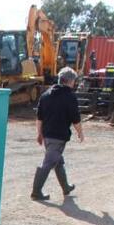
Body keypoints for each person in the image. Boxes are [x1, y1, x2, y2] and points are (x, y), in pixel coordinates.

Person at [31, 66, 84, 201]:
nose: (74, 83)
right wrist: (80, 133)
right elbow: (75, 119)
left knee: (58, 161)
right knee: (49, 163)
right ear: (70, 81)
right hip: (58, 136)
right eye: (74, 81)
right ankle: (36, 192)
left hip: (47, 135)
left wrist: (39, 134)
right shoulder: (70, 97)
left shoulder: (46, 95)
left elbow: (39, 118)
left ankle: (66, 187)